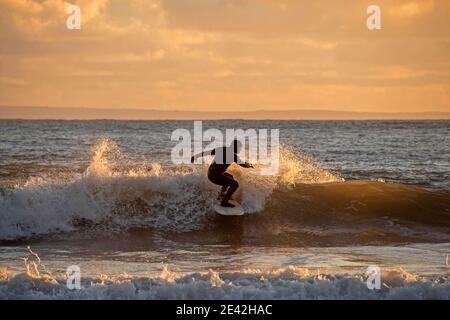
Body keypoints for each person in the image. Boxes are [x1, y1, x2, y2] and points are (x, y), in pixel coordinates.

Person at [191, 139, 253, 207]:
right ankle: (224, 201)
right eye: (239, 148)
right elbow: (243, 165)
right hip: (215, 176)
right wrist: (249, 165)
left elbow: (208, 152)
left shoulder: (222, 149)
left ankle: (222, 194)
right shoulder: (233, 155)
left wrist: (196, 156)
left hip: (210, 174)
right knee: (235, 184)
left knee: (230, 177)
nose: (240, 150)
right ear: (235, 147)